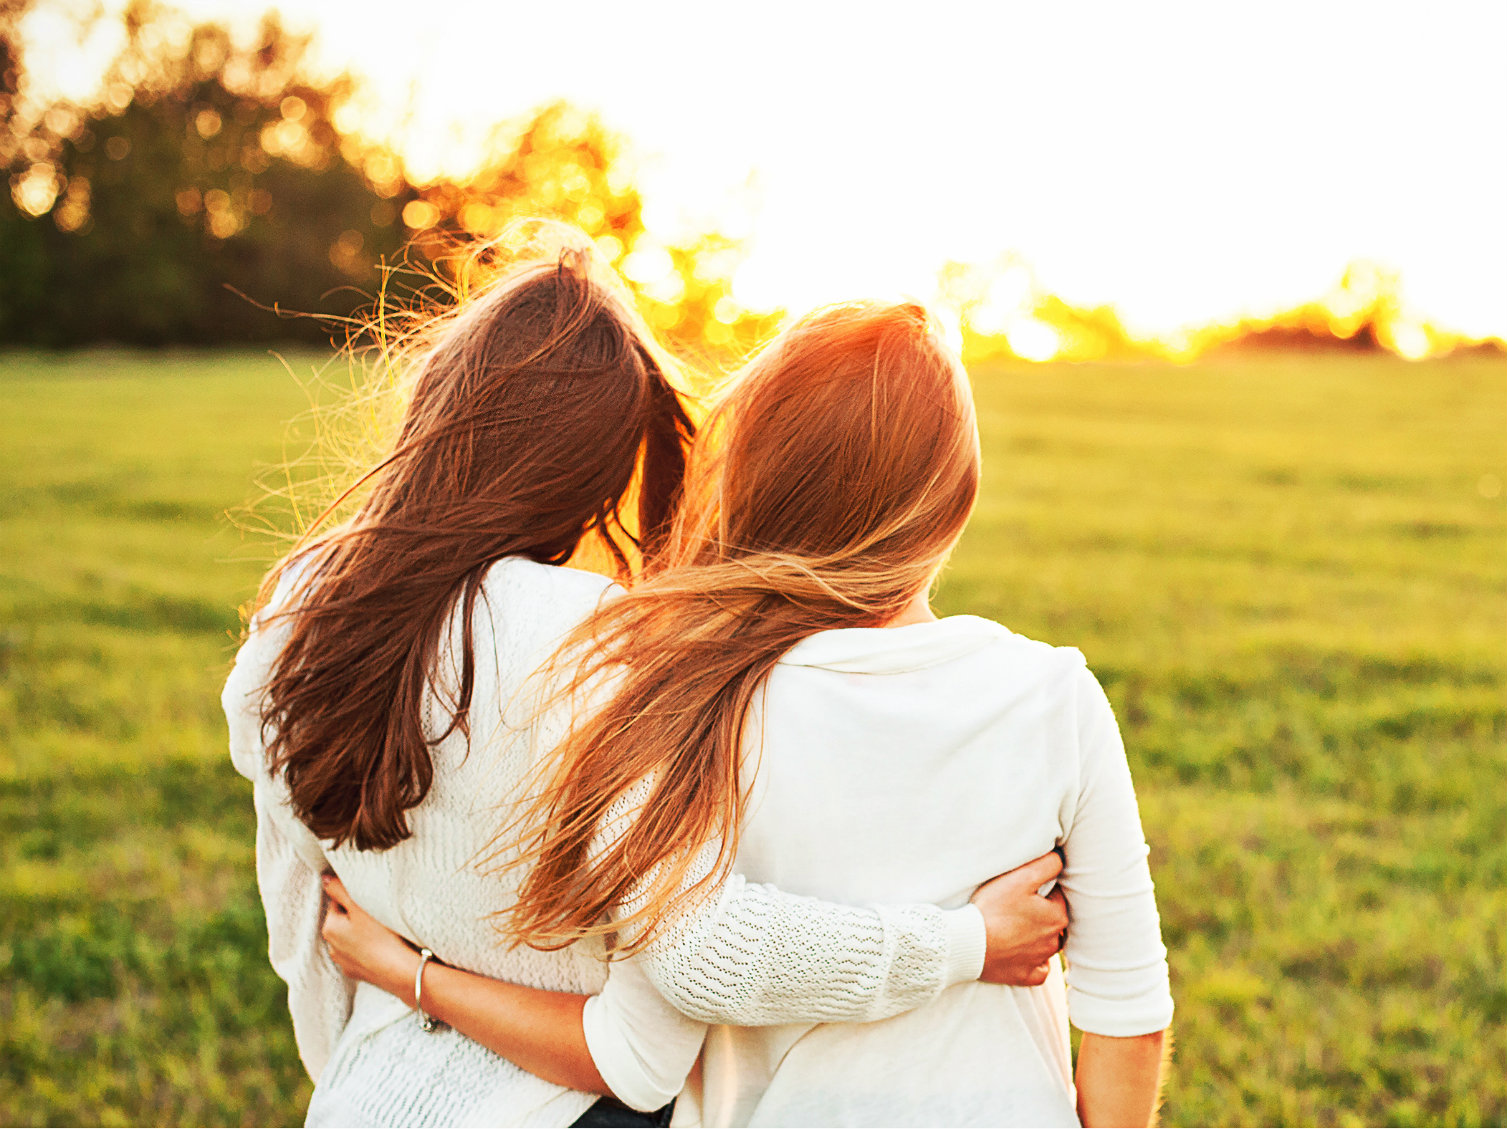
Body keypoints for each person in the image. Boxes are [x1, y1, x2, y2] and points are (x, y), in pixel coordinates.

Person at [225, 248, 1072, 1128]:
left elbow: (305, 934)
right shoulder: (597, 645)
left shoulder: (299, 608)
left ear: (440, 405)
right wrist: (961, 941)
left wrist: (383, 1035)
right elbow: (652, 1035)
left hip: (363, 1099)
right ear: (601, 463)